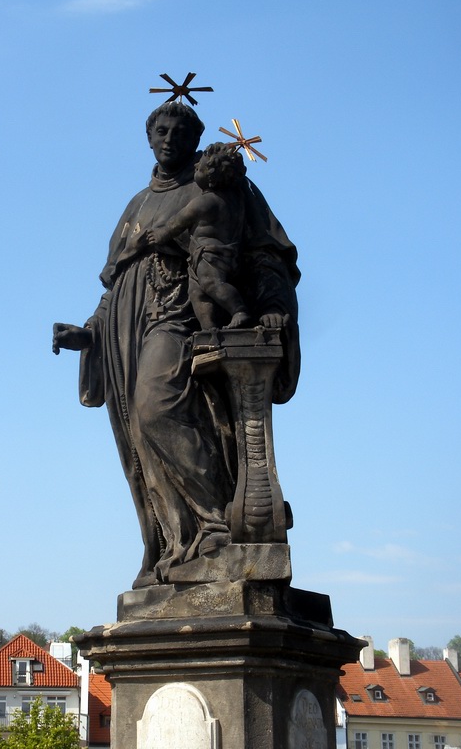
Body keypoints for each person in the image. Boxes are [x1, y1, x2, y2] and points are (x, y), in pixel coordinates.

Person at [53, 101, 300, 588]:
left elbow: (265, 252)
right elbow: (117, 284)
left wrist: (271, 302)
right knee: (143, 437)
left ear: (196, 139)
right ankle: (176, 544)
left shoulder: (221, 186)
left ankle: (216, 528)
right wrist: (90, 330)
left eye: (180, 131)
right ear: (148, 138)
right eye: (161, 130)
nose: (169, 138)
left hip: (185, 321)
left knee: (155, 407)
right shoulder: (136, 206)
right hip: (131, 332)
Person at [146, 142, 250, 330]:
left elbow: (177, 222)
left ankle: (239, 310)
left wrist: (160, 234)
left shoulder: (204, 202)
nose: (194, 166)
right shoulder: (234, 202)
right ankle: (209, 330)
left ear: (210, 178)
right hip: (209, 255)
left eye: (199, 167)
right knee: (197, 292)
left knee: (212, 284)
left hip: (210, 255)